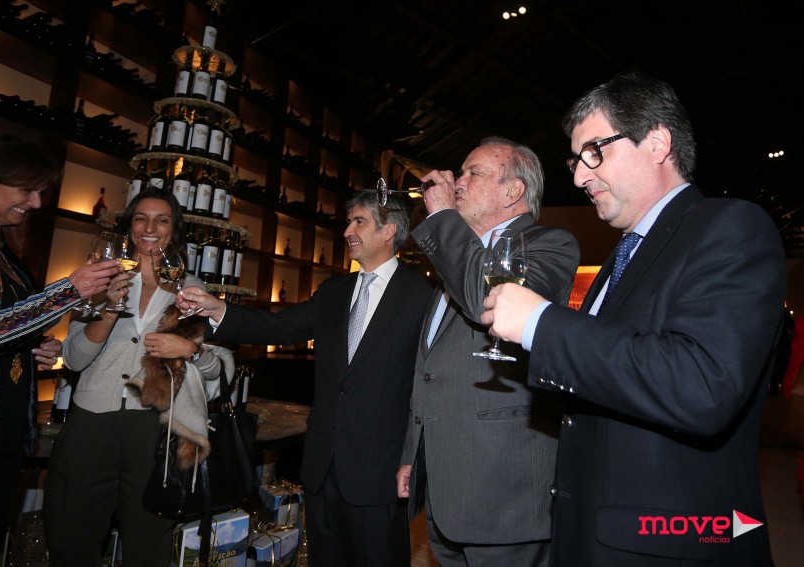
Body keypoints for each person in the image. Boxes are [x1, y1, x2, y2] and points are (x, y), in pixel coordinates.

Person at [481, 73, 786, 566]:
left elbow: (701, 385)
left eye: (594, 152)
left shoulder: (730, 227)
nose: (579, 177)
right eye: (575, 160)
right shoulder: (625, 252)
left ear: (658, 142)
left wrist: (542, 324)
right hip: (593, 532)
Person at [177, 191, 433, 567]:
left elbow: (429, 387)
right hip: (321, 468)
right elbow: (279, 326)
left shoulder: (424, 296)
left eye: (359, 221)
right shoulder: (334, 291)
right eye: (348, 222)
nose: (347, 231)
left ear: (388, 230)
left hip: (380, 471)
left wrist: (415, 458)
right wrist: (218, 309)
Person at [396, 136, 580, 566]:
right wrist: (413, 456)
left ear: (513, 191)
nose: (457, 181)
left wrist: (441, 215)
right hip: (445, 488)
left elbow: (488, 301)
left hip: (504, 496)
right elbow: (431, 369)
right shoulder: (455, 263)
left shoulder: (549, 244)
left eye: (472, 173)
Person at [0, 134, 120, 566]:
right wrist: (66, 293)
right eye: (27, 189)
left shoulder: (6, 256)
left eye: (40, 191)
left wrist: (34, 347)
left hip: (5, 439)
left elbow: (4, 328)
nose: (36, 202)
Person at [43, 188, 228, 567]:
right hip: (92, 424)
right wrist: (110, 309)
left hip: (155, 428)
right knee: (72, 536)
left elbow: (217, 370)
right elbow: (74, 359)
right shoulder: (100, 277)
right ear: (129, 228)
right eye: (141, 218)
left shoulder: (192, 288)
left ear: (174, 230)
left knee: (148, 542)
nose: (150, 228)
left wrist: (188, 349)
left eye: (162, 220)